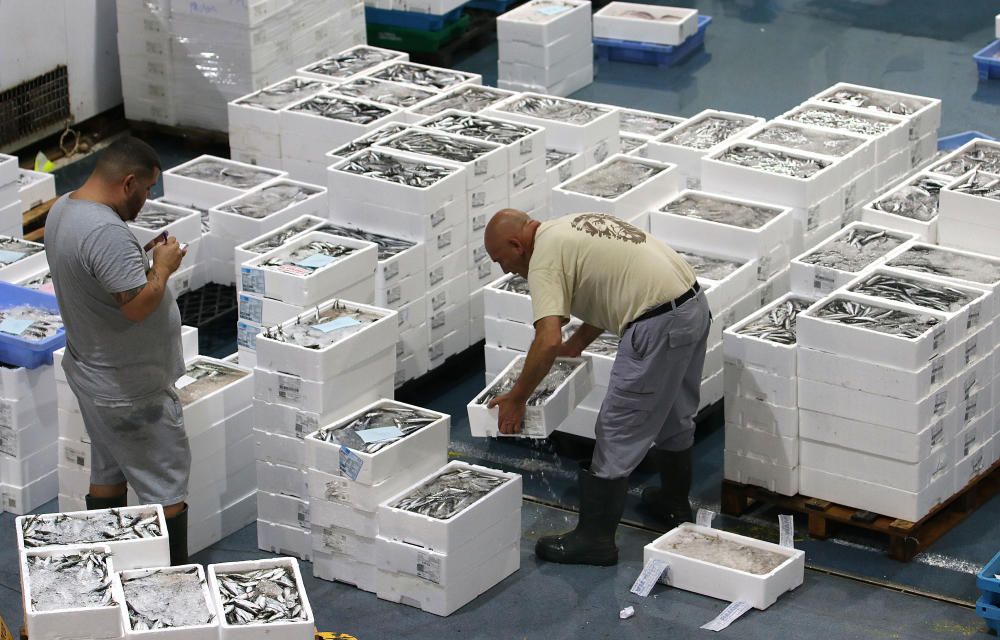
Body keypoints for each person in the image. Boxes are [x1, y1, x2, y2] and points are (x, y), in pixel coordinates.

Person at [484, 209, 710, 566]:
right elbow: (609, 286)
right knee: (674, 413)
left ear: (517, 244)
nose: (506, 270)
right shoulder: (567, 226)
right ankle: (673, 503)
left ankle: (595, 540)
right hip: (692, 306)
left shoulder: (543, 259)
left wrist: (517, 399)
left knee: (617, 427)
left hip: (657, 324)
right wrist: (578, 344)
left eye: (502, 259)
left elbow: (546, 340)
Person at [45, 136, 190, 564]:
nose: (145, 201)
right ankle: (174, 588)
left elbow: (107, 286)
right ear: (127, 183)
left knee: (107, 471)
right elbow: (137, 306)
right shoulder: (106, 232)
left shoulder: (63, 209)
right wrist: (162, 267)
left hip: (93, 374)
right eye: (145, 190)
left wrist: (137, 267)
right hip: (130, 387)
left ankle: (106, 567)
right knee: (165, 487)